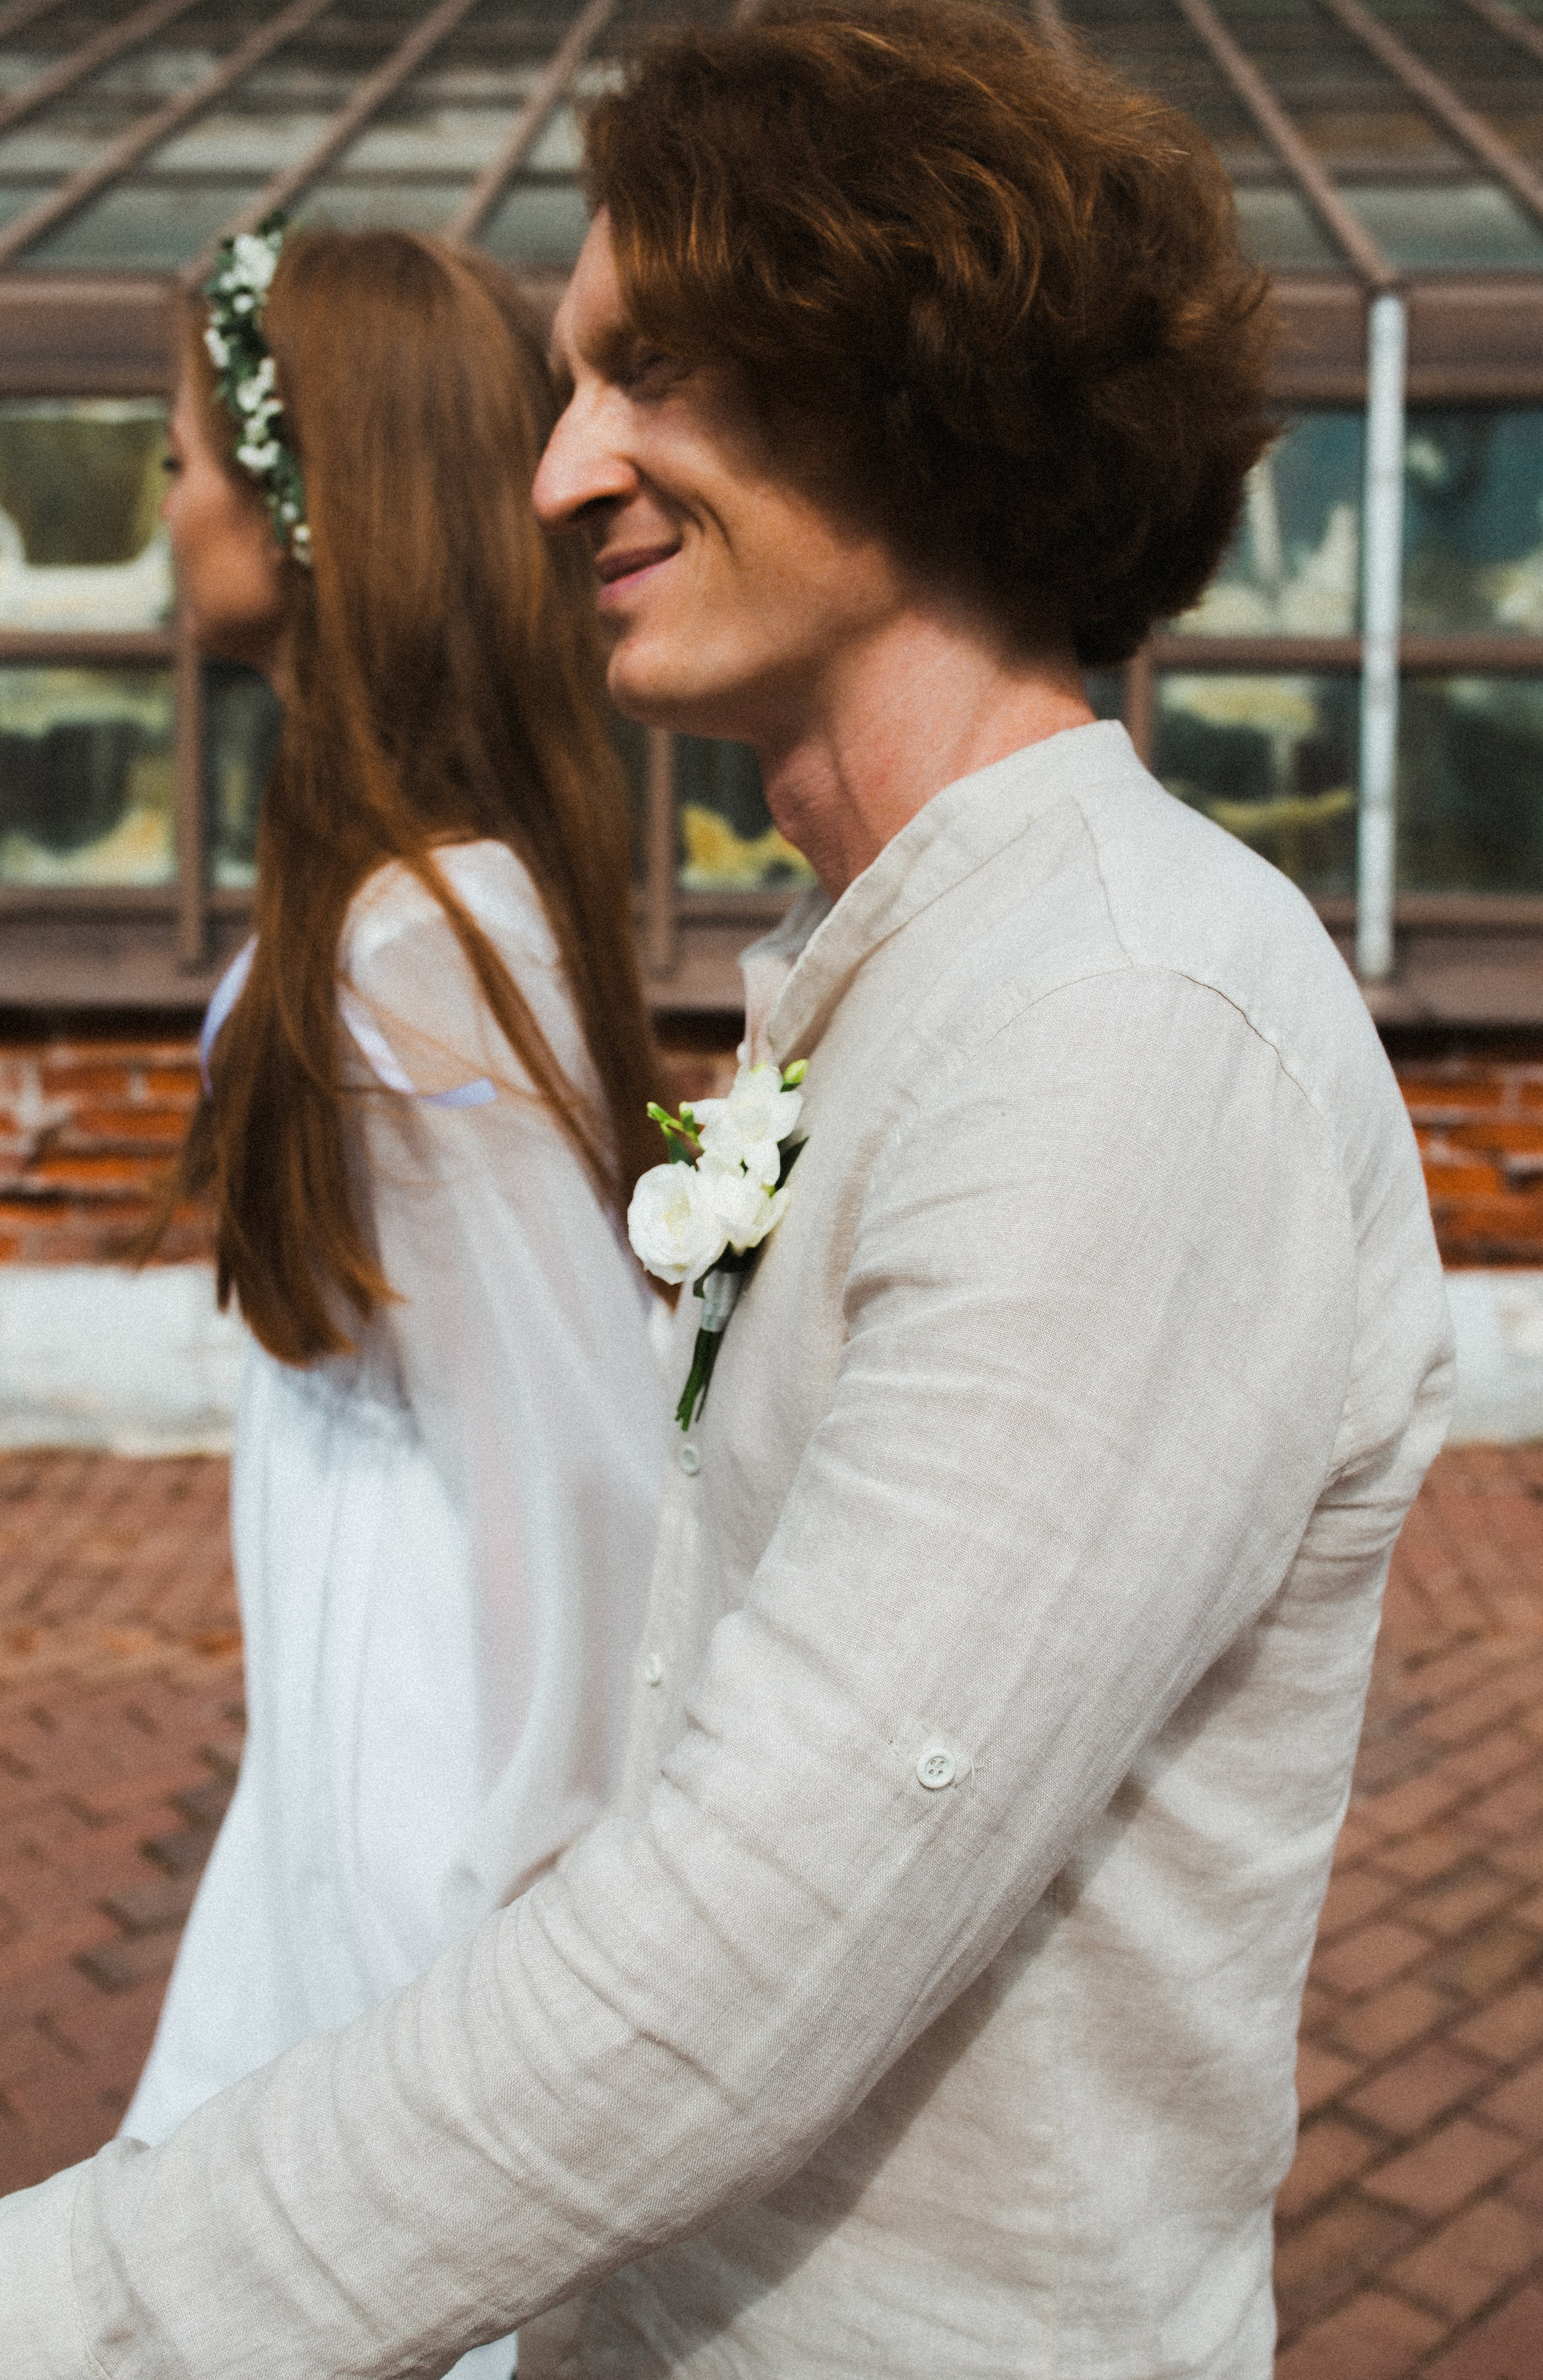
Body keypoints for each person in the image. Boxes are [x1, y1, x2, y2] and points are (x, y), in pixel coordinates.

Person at [2, 8, 1453, 2376]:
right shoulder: (901, 974)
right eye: (569, 384)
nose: (562, 470)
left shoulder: (1122, 1023)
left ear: (913, 369)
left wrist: (83, 2300)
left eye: (650, 370)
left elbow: (753, 1944)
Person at [111, 223, 670, 2379]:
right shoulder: (390, 893)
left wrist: (529, 1942)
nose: (161, 504)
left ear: (310, 496)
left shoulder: (422, 941)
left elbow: (578, 1465)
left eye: (183, 455)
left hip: (419, 1749)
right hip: (335, 1716)